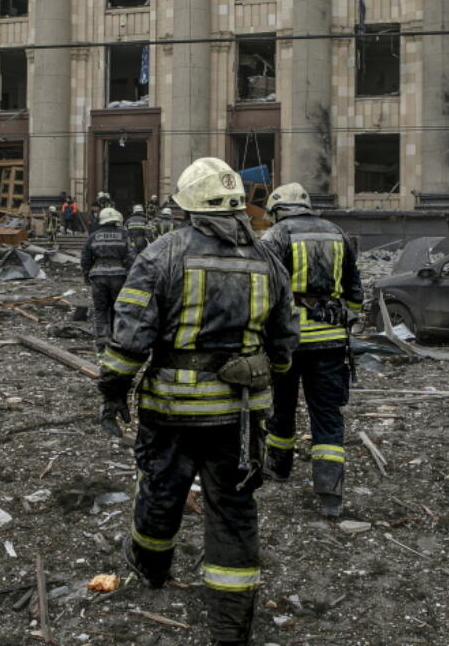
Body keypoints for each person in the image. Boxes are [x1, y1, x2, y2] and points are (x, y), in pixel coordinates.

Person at [98, 157, 299, 646]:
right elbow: (285, 342)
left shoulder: (162, 253)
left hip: (171, 410)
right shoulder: (267, 259)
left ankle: (150, 569)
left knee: (163, 491)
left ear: (186, 206)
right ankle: (230, 627)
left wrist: (113, 391)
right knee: (232, 510)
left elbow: (130, 338)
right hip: (239, 418)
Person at [259, 182, 364, 517]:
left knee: (282, 408)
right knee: (328, 416)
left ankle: (278, 468)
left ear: (277, 209)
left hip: (287, 342)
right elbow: (356, 294)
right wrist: (343, 321)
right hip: (331, 343)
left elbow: (261, 288)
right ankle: (330, 494)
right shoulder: (339, 234)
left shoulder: (275, 237)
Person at [80, 207, 133, 352]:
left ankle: (102, 341)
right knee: (118, 308)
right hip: (119, 276)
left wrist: (86, 274)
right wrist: (129, 273)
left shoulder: (93, 236)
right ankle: (117, 338)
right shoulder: (124, 235)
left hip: (98, 276)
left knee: (100, 309)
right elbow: (131, 256)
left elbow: (85, 258)